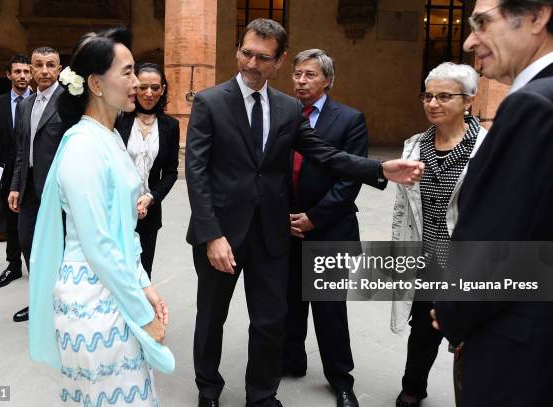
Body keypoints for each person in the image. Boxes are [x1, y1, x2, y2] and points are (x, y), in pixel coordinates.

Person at [185, 18, 423, 407]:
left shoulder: (287, 107)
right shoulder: (210, 102)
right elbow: (196, 173)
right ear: (237, 51)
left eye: (263, 57)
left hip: (270, 235)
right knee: (212, 318)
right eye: (246, 53)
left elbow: (324, 154)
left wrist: (379, 169)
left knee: (269, 320)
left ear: (277, 62)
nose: (251, 63)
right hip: (221, 235)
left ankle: (261, 396)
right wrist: (212, 235)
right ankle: (208, 390)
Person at [28, 26, 174, 406]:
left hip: (116, 287)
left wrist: (145, 284)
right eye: (126, 72)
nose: (137, 81)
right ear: (95, 83)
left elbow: (124, 232)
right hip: (92, 299)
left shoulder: (107, 138)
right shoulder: (82, 147)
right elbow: (98, 245)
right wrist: (142, 312)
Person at [431, 1, 553, 406]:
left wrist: (452, 311)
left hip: (520, 347)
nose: (469, 41)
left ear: (538, 16)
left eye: (483, 23)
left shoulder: (533, 105)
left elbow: (500, 238)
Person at [390, 62, 486, 407]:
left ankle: (476, 394)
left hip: (470, 262)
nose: (432, 103)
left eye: (444, 96)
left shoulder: (487, 150)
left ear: (469, 101)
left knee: (474, 334)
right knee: (423, 329)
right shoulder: (415, 146)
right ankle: (413, 388)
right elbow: (402, 207)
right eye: (428, 96)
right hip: (426, 258)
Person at [283, 49, 365, 407]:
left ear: (328, 79)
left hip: (330, 229)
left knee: (330, 310)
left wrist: (315, 216)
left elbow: (350, 179)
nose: (301, 80)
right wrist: (281, 216)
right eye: (297, 74)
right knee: (289, 303)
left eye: (310, 75)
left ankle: (341, 380)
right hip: (286, 228)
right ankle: (291, 360)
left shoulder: (349, 119)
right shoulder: (282, 114)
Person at [8, 46, 68, 322]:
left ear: (58, 69)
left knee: (61, 247)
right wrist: (15, 186)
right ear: (31, 70)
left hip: (59, 189)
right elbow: (21, 149)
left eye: (50, 65)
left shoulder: (70, 102)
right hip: (30, 186)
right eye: (39, 65)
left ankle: (64, 302)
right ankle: (41, 299)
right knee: (27, 240)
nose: (44, 71)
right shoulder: (24, 105)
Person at [116, 62, 180, 279]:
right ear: (134, 87)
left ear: (163, 90)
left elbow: (171, 171)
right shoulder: (118, 120)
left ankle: (142, 311)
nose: (149, 93)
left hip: (148, 212)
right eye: (143, 87)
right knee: (116, 267)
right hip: (116, 208)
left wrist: (151, 197)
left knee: (143, 269)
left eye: (155, 87)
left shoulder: (170, 126)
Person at [0, 54, 31, 289]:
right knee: (11, 222)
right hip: (7, 174)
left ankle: (37, 267)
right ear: (8, 75)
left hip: (33, 174)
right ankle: (13, 266)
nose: (22, 76)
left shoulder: (42, 102)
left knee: (33, 223)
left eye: (25, 71)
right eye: (17, 72)